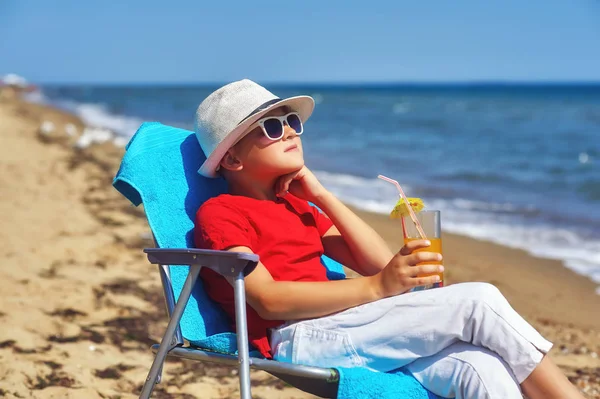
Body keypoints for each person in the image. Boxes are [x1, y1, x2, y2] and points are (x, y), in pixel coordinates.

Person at [193, 79, 584, 399]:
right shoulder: (222, 213)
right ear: (232, 160)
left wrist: (322, 196)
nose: (291, 132)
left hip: (352, 326)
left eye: (292, 121)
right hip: (298, 336)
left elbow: (379, 263)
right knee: (477, 302)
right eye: (272, 128)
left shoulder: (300, 208)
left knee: (479, 367)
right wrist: (378, 287)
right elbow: (267, 298)